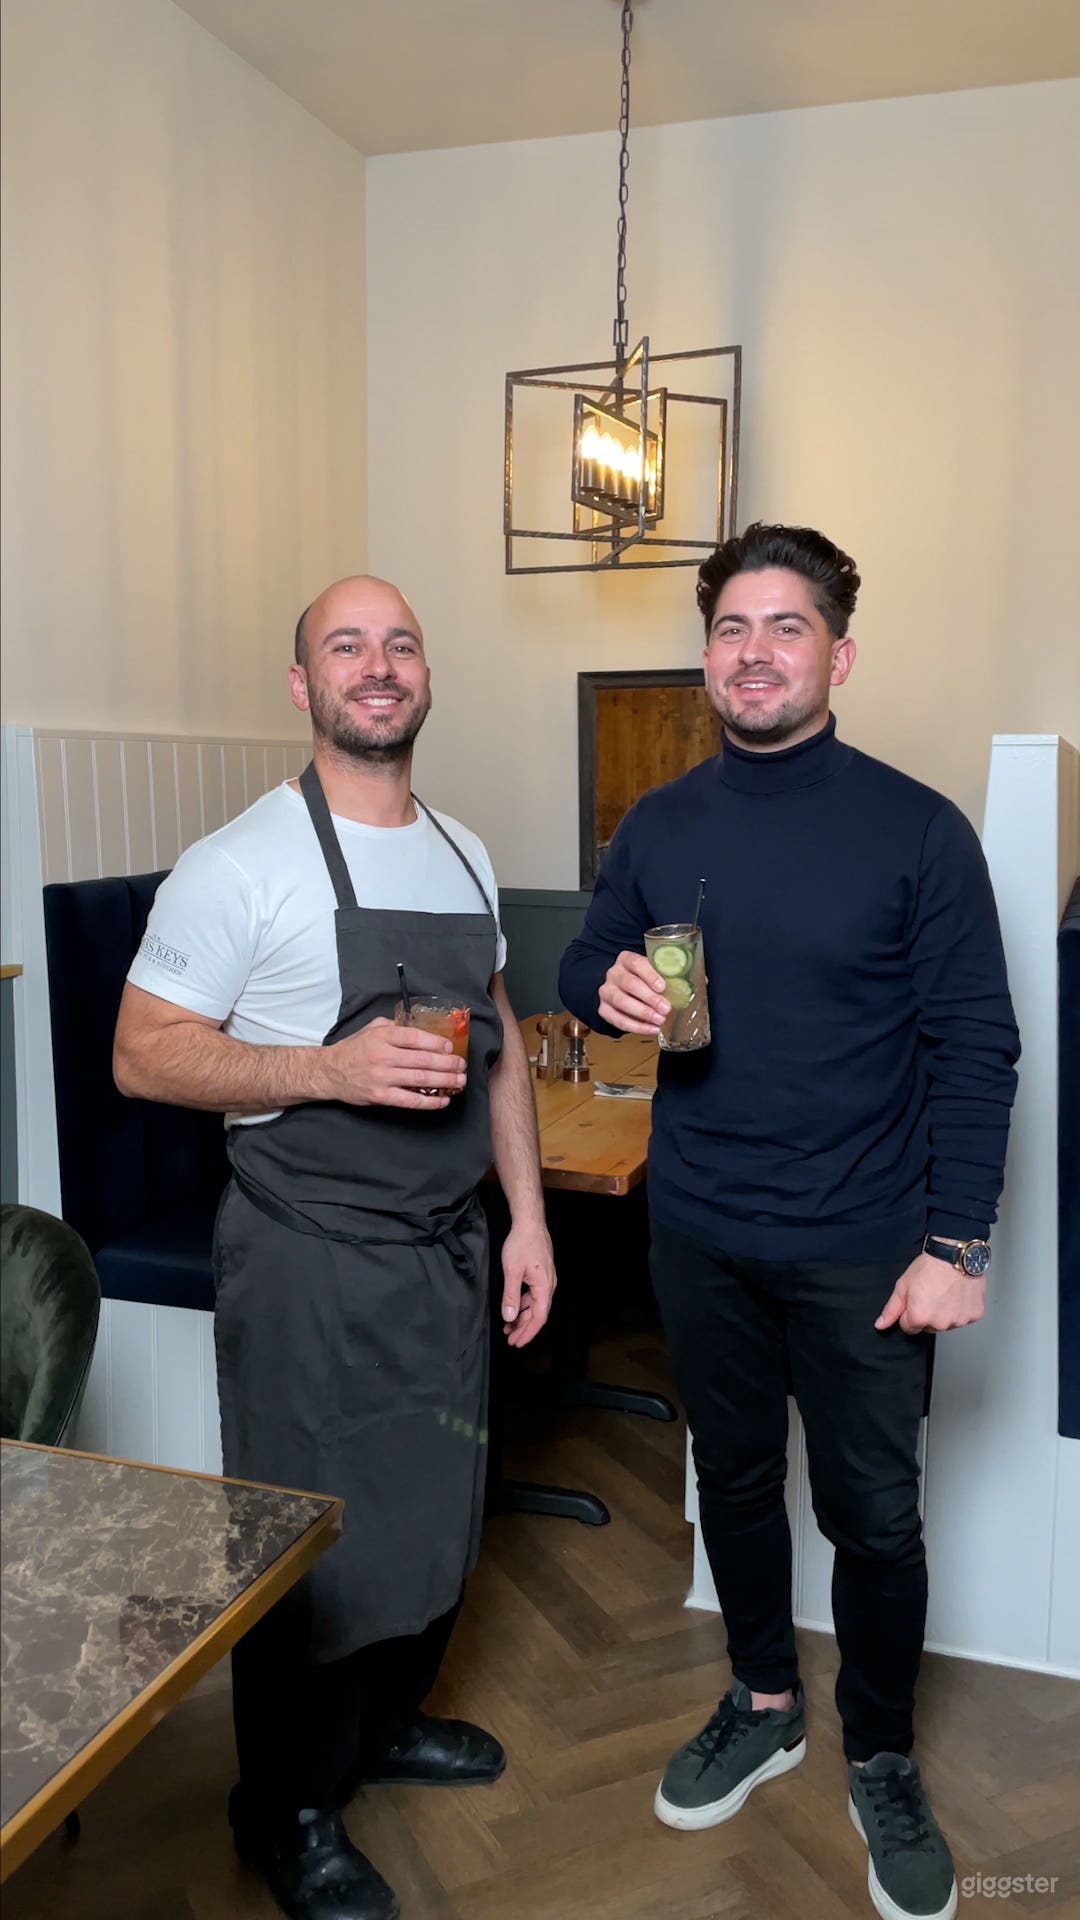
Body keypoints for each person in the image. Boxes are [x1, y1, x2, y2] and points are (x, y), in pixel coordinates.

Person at [558, 523, 1019, 1920]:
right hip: (700, 1229)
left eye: (785, 628)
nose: (753, 653)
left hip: (868, 1248)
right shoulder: (661, 823)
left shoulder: (916, 828)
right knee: (734, 1485)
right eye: (731, 629)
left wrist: (959, 1248)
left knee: (874, 1517)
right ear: (709, 657)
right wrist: (609, 990)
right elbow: (589, 953)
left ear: (838, 653)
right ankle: (764, 1700)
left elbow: (979, 1045)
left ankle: (880, 1757)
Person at [114, 575, 557, 1920]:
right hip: (306, 1256)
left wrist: (528, 1217)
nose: (379, 666)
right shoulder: (240, 863)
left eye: (400, 643)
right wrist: (328, 1065)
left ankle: (384, 1729)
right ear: (306, 688)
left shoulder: (466, 853)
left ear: (426, 676)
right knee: (306, 1543)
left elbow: (499, 1059)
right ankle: (289, 1805)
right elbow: (142, 1055)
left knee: (430, 1511)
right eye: (346, 646)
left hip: (445, 1249)